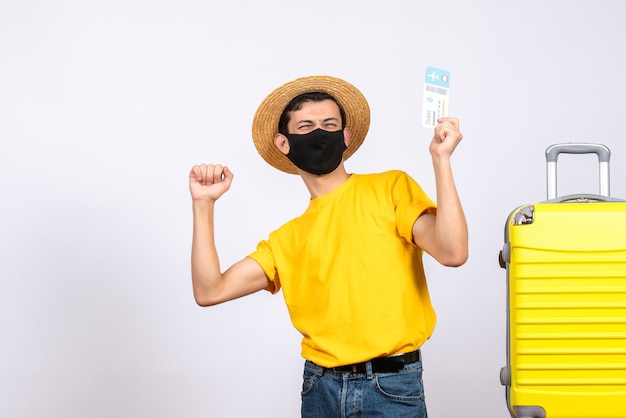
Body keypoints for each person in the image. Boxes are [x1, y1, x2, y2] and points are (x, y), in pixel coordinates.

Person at [188, 75, 468, 417]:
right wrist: (203, 205)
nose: (319, 132)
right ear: (283, 142)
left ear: (345, 136)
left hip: (391, 388)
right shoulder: (285, 239)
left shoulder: (391, 189)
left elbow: (453, 252)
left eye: (329, 124)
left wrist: (441, 160)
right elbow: (209, 291)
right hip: (319, 388)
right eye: (305, 126)